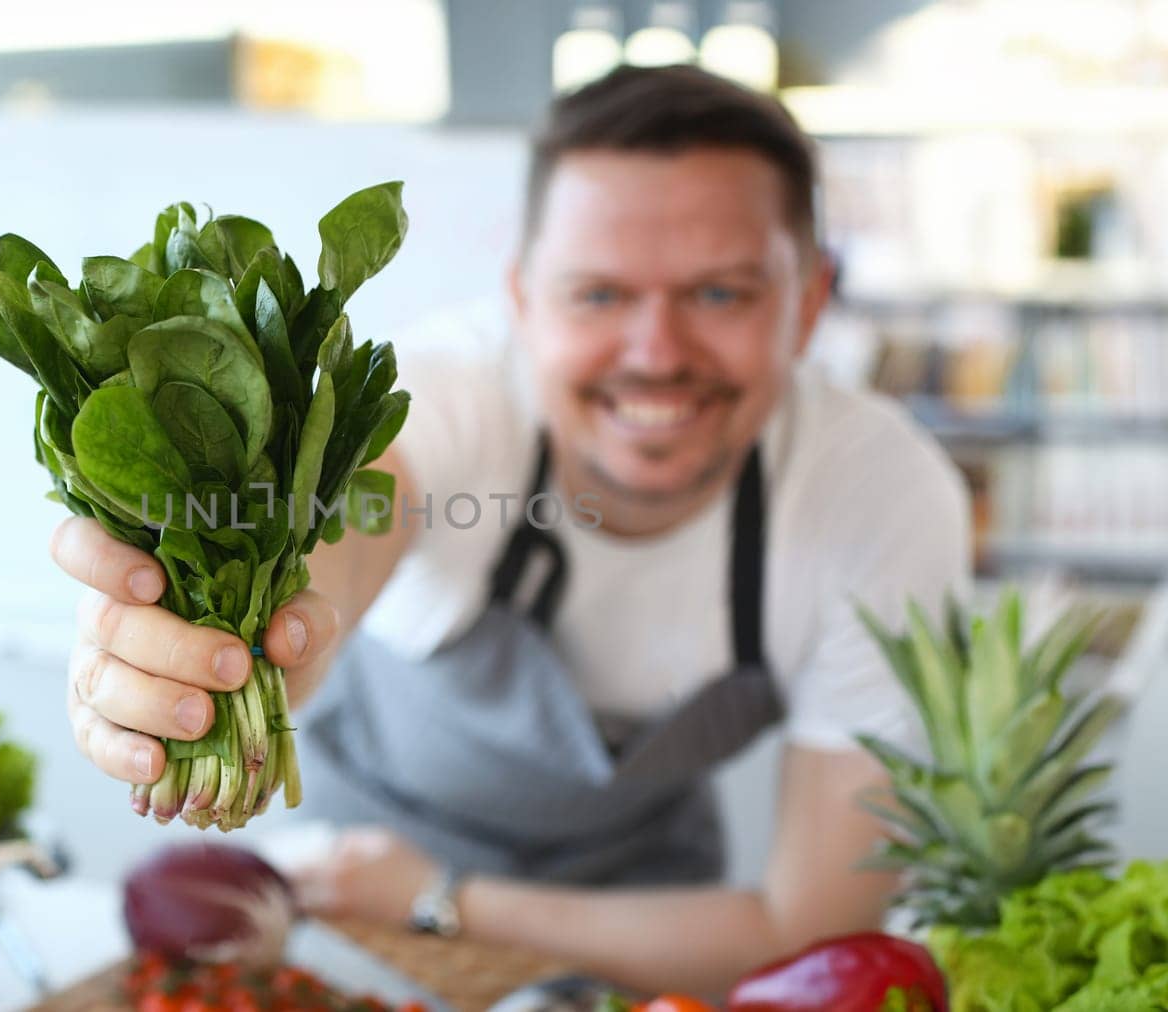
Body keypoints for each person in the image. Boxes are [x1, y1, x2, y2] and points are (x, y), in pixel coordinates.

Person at [51, 65, 969, 995]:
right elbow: (344, 530)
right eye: (599, 296)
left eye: (722, 295)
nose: (656, 354)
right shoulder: (446, 397)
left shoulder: (876, 500)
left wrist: (444, 898)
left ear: (810, 302)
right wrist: (247, 644)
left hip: (653, 926)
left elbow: (809, 932)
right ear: (522, 298)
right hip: (348, 909)